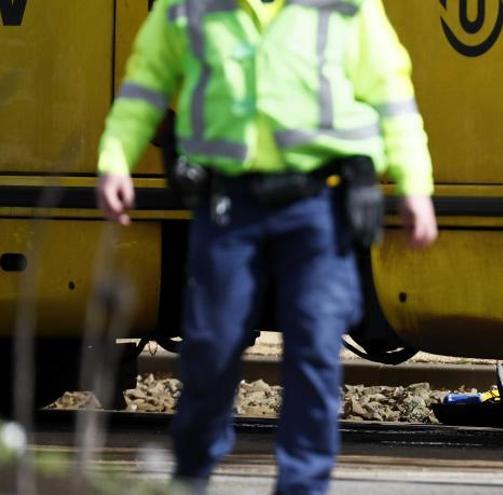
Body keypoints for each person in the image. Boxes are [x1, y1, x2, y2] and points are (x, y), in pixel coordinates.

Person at [95, 0, 437, 493]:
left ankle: (303, 485)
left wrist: (414, 185)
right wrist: (115, 158)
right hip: (227, 204)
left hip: (319, 203)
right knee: (211, 349)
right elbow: (146, 83)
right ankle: (191, 474)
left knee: (315, 348)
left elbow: (390, 91)